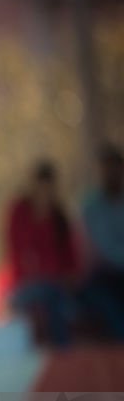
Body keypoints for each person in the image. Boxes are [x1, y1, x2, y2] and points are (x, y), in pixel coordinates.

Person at [5, 160, 80, 347]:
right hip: (26, 285)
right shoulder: (19, 212)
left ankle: (63, 352)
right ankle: (62, 348)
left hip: (56, 284)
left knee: (56, 295)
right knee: (50, 295)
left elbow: (69, 260)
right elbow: (19, 252)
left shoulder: (59, 217)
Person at [79, 144, 124, 340]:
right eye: (105, 170)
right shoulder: (91, 206)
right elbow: (103, 247)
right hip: (102, 275)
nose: (109, 174)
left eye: (114, 169)